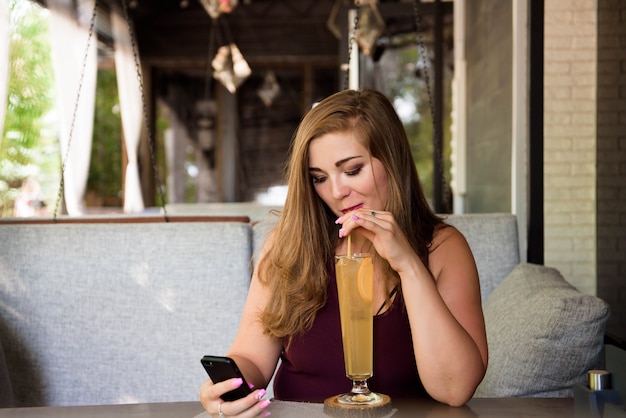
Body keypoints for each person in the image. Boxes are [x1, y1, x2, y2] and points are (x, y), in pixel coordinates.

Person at [200, 89, 488, 416]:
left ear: (393, 161)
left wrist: (407, 264)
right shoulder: (289, 245)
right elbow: (251, 358)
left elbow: (455, 390)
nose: (337, 192)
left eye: (352, 170)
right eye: (319, 178)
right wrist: (227, 388)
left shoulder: (442, 249)